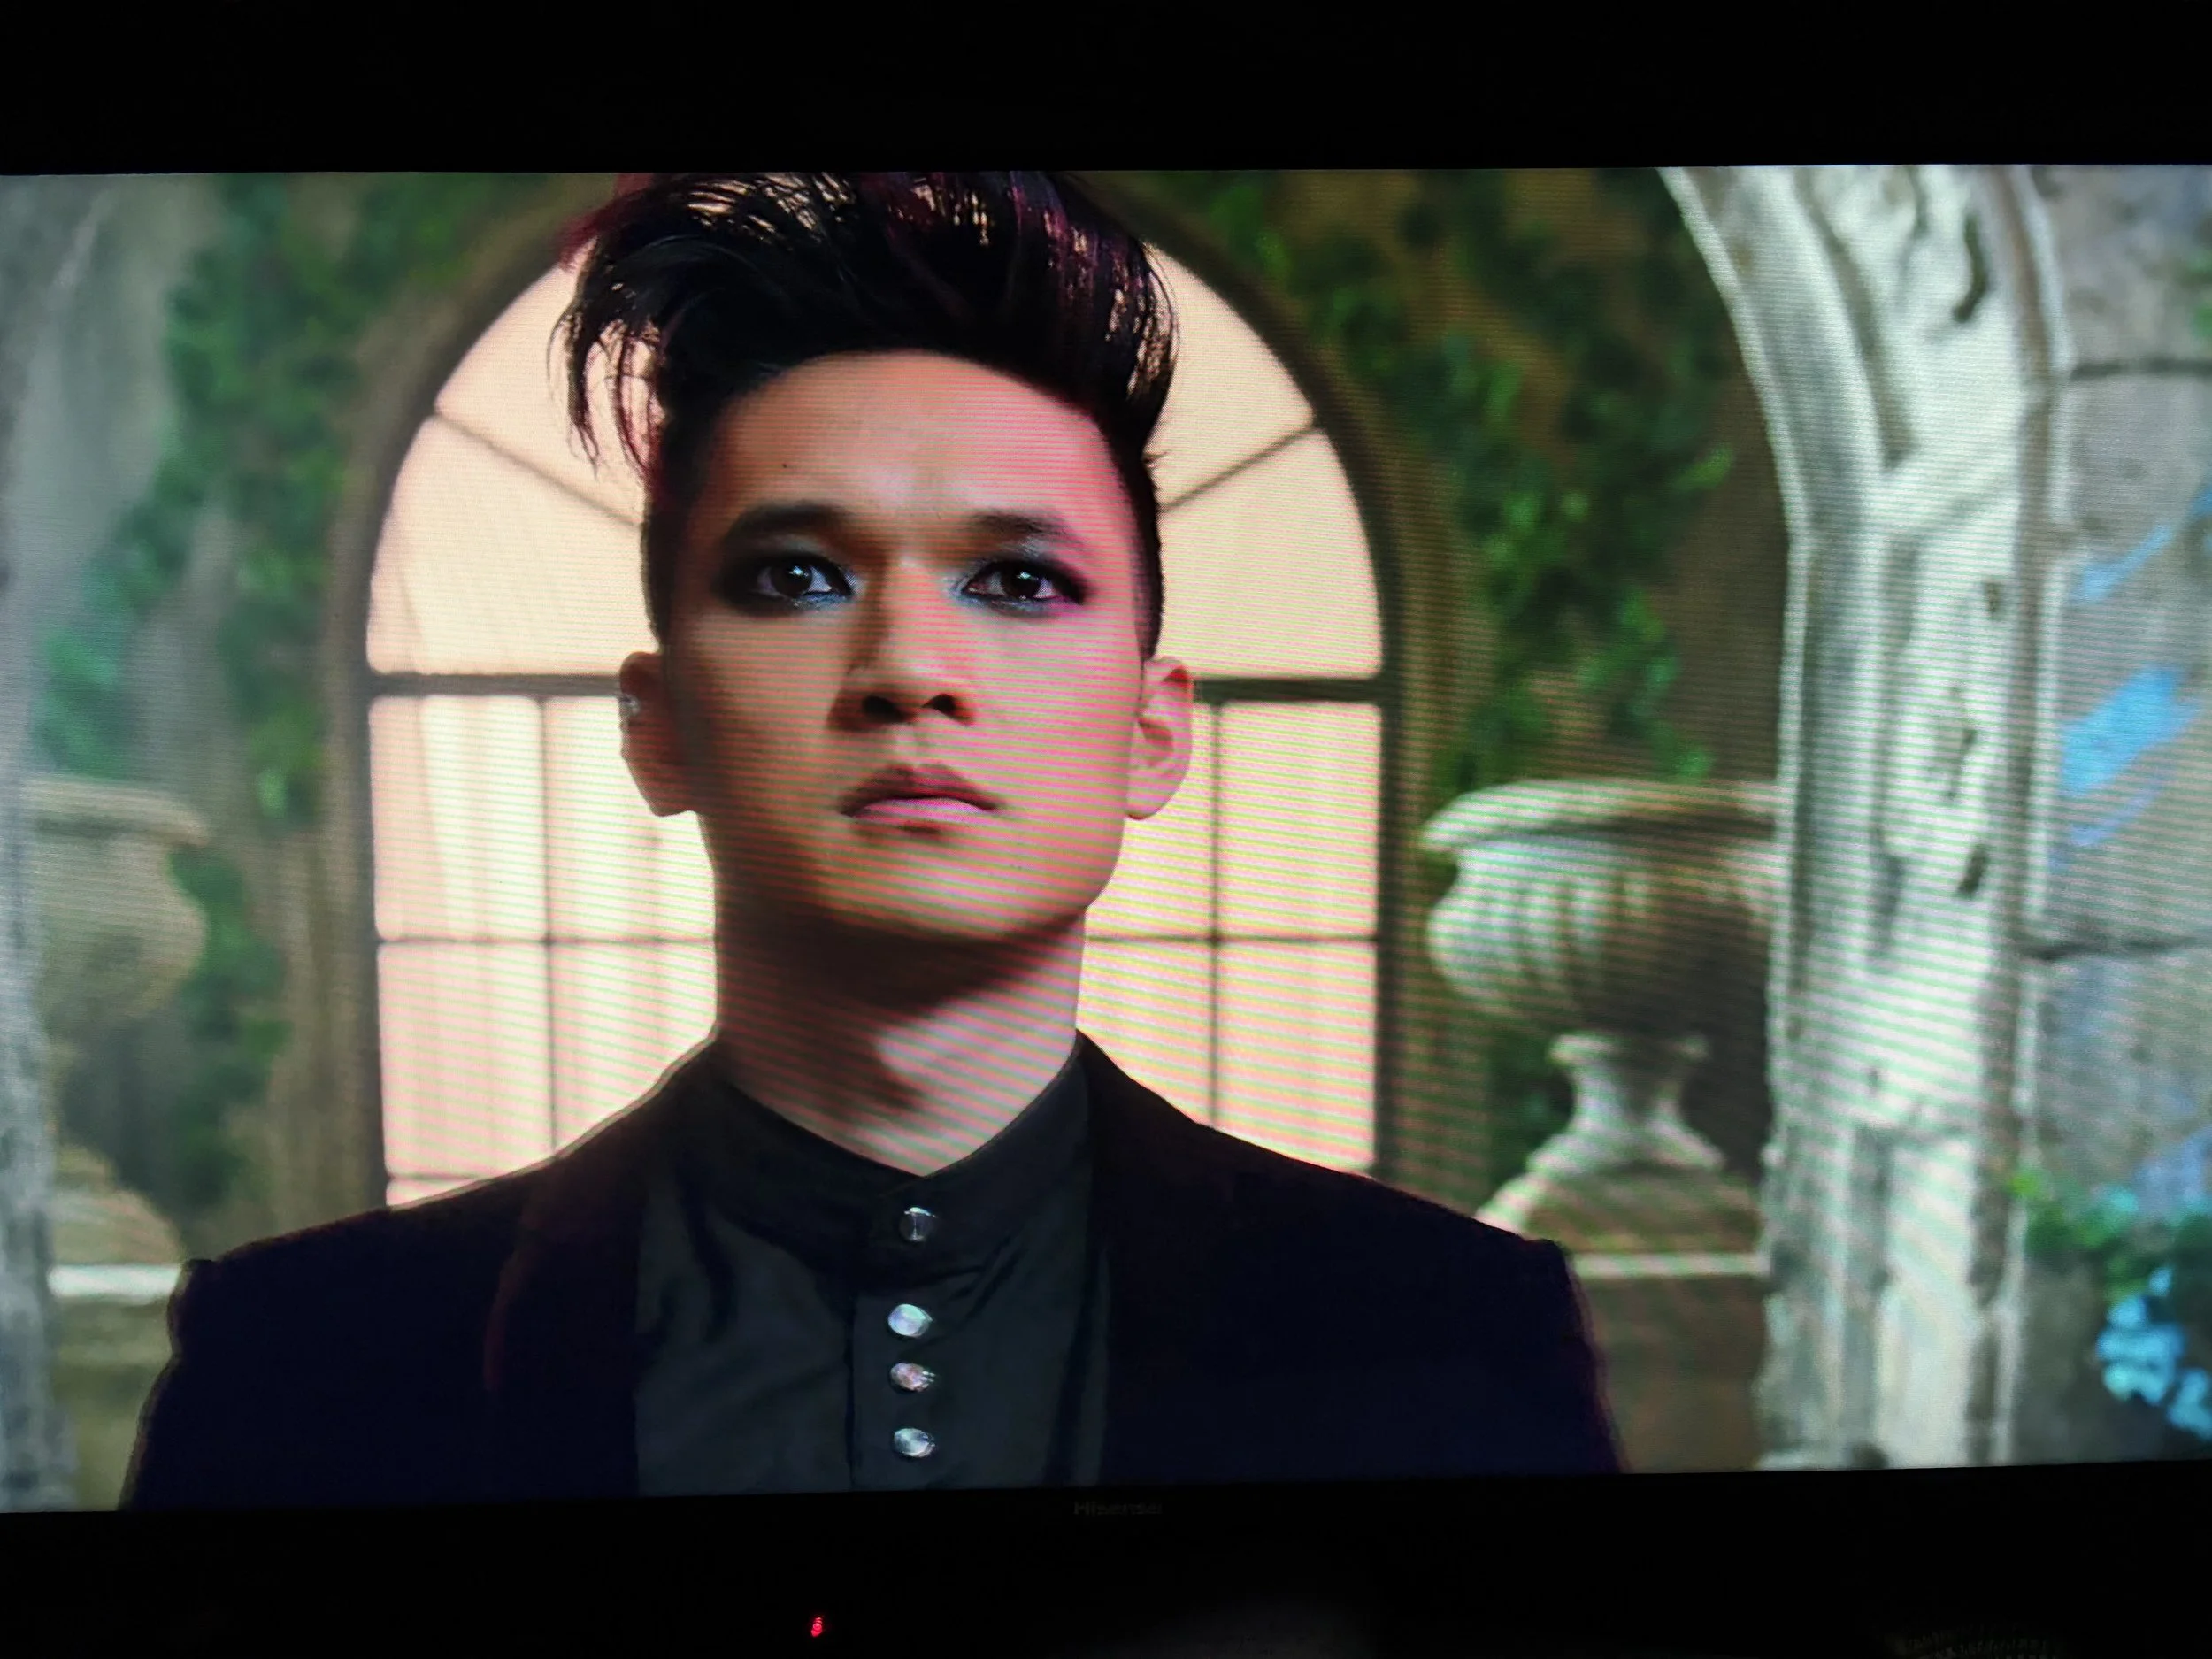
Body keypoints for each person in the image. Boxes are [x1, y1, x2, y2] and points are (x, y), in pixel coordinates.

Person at [124, 173, 1620, 1506]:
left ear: (1154, 731)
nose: (910, 669)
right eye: (794, 576)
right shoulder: (306, 1358)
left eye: (1020, 582)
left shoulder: (1454, 1332)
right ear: (658, 724)